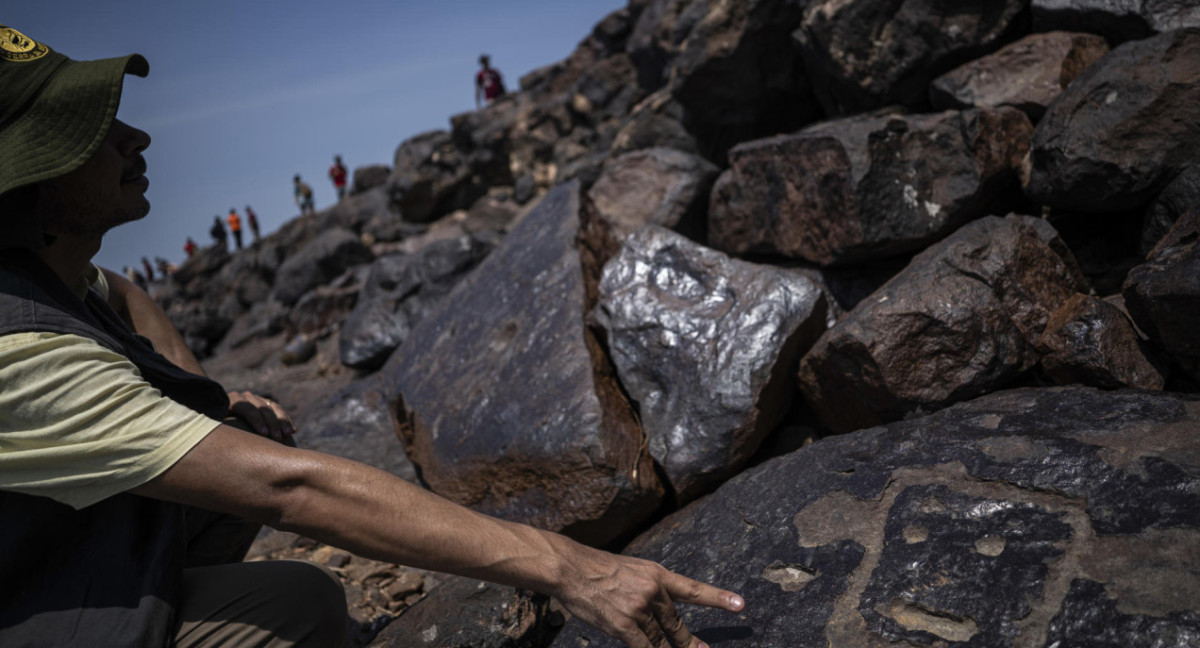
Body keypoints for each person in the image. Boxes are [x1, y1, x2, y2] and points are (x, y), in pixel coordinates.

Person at [0, 25, 744, 648]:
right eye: (93, 133)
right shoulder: (22, 355)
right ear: (29, 189)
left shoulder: (51, 266)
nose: (135, 137)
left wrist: (210, 399)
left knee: (251, 467)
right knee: (298, 604)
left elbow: (124, 292)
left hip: (47, 554)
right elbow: (287, 490)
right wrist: (571, 568)